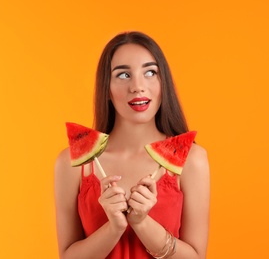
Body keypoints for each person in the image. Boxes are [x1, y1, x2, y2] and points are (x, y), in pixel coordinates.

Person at [54, 31, 210, 258]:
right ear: (106, 88)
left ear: (162, 82)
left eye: (150, 72)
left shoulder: (192, 160)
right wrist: (113, 228)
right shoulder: (72, 164)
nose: (138, 86)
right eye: (123, 75)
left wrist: (142, 223)